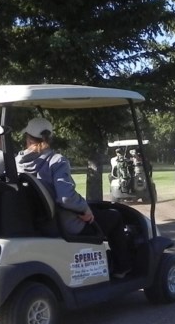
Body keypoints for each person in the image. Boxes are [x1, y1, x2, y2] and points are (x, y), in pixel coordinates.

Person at [15, 117, 133, 277]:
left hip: (39, 223)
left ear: (28, 139)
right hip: (65, 224)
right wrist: (85, 209)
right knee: (114, 216)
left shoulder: (17, 164)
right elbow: (66, 198)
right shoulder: (56, 161)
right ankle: (122, 269)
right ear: (49, 138)